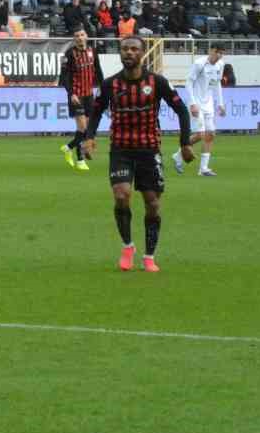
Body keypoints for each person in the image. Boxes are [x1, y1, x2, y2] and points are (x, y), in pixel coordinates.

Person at [81, 35, 194, 274]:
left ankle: (149, 256)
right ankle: (127, 246)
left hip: (149, 150)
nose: (128, 53)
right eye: (124, 49)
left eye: (133, 49)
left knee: (152, 204)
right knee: (122, 195)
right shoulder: (110, 84)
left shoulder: (157, 82)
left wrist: (185, 143)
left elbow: (181, 110)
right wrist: (89, 138)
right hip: (121, 149)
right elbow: (96, 111)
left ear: (142, 54)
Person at [176, 46, 224, 177]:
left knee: (211, 134)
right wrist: (192, 103)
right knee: (200, 135)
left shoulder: (220, 65)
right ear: (211, 51)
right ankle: (179, 154)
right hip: (196, 103)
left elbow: (217, 84)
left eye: (221, 53)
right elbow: (188, 83)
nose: (219, 56)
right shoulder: (199, 64)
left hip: (208, 104)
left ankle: (203, 168)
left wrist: (220, 103)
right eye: (217, 52)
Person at [58, 30, 102, 171]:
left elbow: (99, 70)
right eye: (76, 36)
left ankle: (68, 148)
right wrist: (71, 94)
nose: (80, 38)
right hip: (76, 95)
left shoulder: (92, 51)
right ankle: (80, 160)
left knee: (85, 130)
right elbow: (64, 77)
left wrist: (103, 88)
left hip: (89, 95)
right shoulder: (70, 54)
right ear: (74, 38)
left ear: (86, 36)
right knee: (83, 128)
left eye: (82, 35)